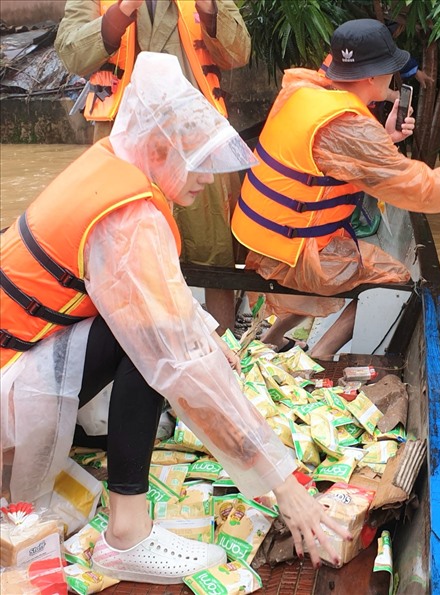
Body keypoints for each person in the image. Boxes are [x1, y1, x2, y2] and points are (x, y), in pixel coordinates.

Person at [0, 53, 347, 585]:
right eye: (198, 159)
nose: (210, 179)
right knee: (156, 351)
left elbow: (140, 293)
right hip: (10, 385)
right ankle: (127, 535)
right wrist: (286, 486)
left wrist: (205, 332)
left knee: (172, 337)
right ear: (159, 148)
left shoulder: (110, 162)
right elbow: (172, 354)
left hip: (18, 360)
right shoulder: (130, 215)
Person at [232, 19, 440, 358]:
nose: (394, 79)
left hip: (262, 241)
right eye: (390, 70)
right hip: (296, 256)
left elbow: (336, 158)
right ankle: (319, 356)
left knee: (346, 253)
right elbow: (423, 190)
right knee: (394, 279)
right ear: (371, 76)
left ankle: (270, 340)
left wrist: (384, 138)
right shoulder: (349, 128)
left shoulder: (305, 89)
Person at [55, 0, 251, 335]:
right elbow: (72, 55)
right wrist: (124, 8)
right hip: (126, 142)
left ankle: (225, 349)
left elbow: (238, 54)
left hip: (195, 135)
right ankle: (140, 349)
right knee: (128, 249)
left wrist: (209, 8)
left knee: (213, 248)